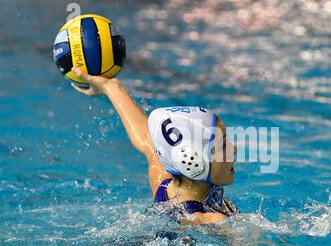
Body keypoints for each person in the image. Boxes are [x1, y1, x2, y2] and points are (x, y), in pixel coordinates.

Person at [70, 67, 239, 225]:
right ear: (194, 161)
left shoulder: (164, 183)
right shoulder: (209, 221)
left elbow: (147, 141)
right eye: (223, 145)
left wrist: (110, 86)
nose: (235, 149)